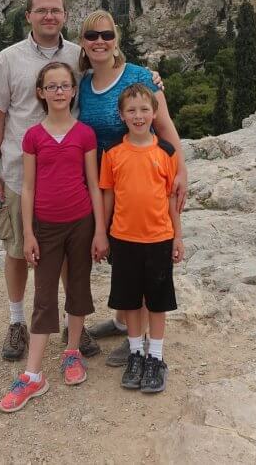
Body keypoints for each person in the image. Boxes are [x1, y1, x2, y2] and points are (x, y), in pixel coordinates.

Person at [0, 0, 100, 361]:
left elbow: (113, 67)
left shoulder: (77, 56)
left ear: (65, 15)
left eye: (56, 10)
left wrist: (151, 78)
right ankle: (17, 322)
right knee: (17, 251)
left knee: (67, 254)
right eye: (42, 11)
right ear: (29, 16)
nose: (49, 16)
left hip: (67, 178)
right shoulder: (8, 59)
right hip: (19, 175)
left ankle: (72, 325)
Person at [75, 10, 188, 367]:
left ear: (116, 40)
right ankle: (124, 321)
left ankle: (135, 341)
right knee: (120, 256)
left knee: (139, 254)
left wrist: (181, 169)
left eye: (107, 35)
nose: (100, 42)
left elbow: (165, 126)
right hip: (104, 181)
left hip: (141, 175)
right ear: (83, 42)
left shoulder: (139, 76)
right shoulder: (84, 84)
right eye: (92, 36)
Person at [0, 62, 108, 412]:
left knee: (77, 286)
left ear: (74, 91)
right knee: (44, 295)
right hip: (45, 225)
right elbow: (27, 188)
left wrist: (100, 231)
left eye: (65, 86)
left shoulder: (85, 134)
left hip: (81, 223)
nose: (59, 92)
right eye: (52, 86)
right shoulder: (33, 137)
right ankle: (33, 375)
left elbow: (93, 184)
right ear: (41, 93)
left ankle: (72, 351)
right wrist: (28, 232)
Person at [100, 83, 183, 394]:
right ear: (121, 115)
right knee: (130, 300)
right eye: (131, 110)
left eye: (144, 109)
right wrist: (103, 232)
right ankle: (135, 354)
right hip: (123, 238)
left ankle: (156, 357)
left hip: (159, 237)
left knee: (157, 301)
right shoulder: (113, 154)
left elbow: (172, 198)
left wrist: (178, 237)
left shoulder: (167, 152)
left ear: (154, 112)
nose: (138, 116)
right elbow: (107, 195)